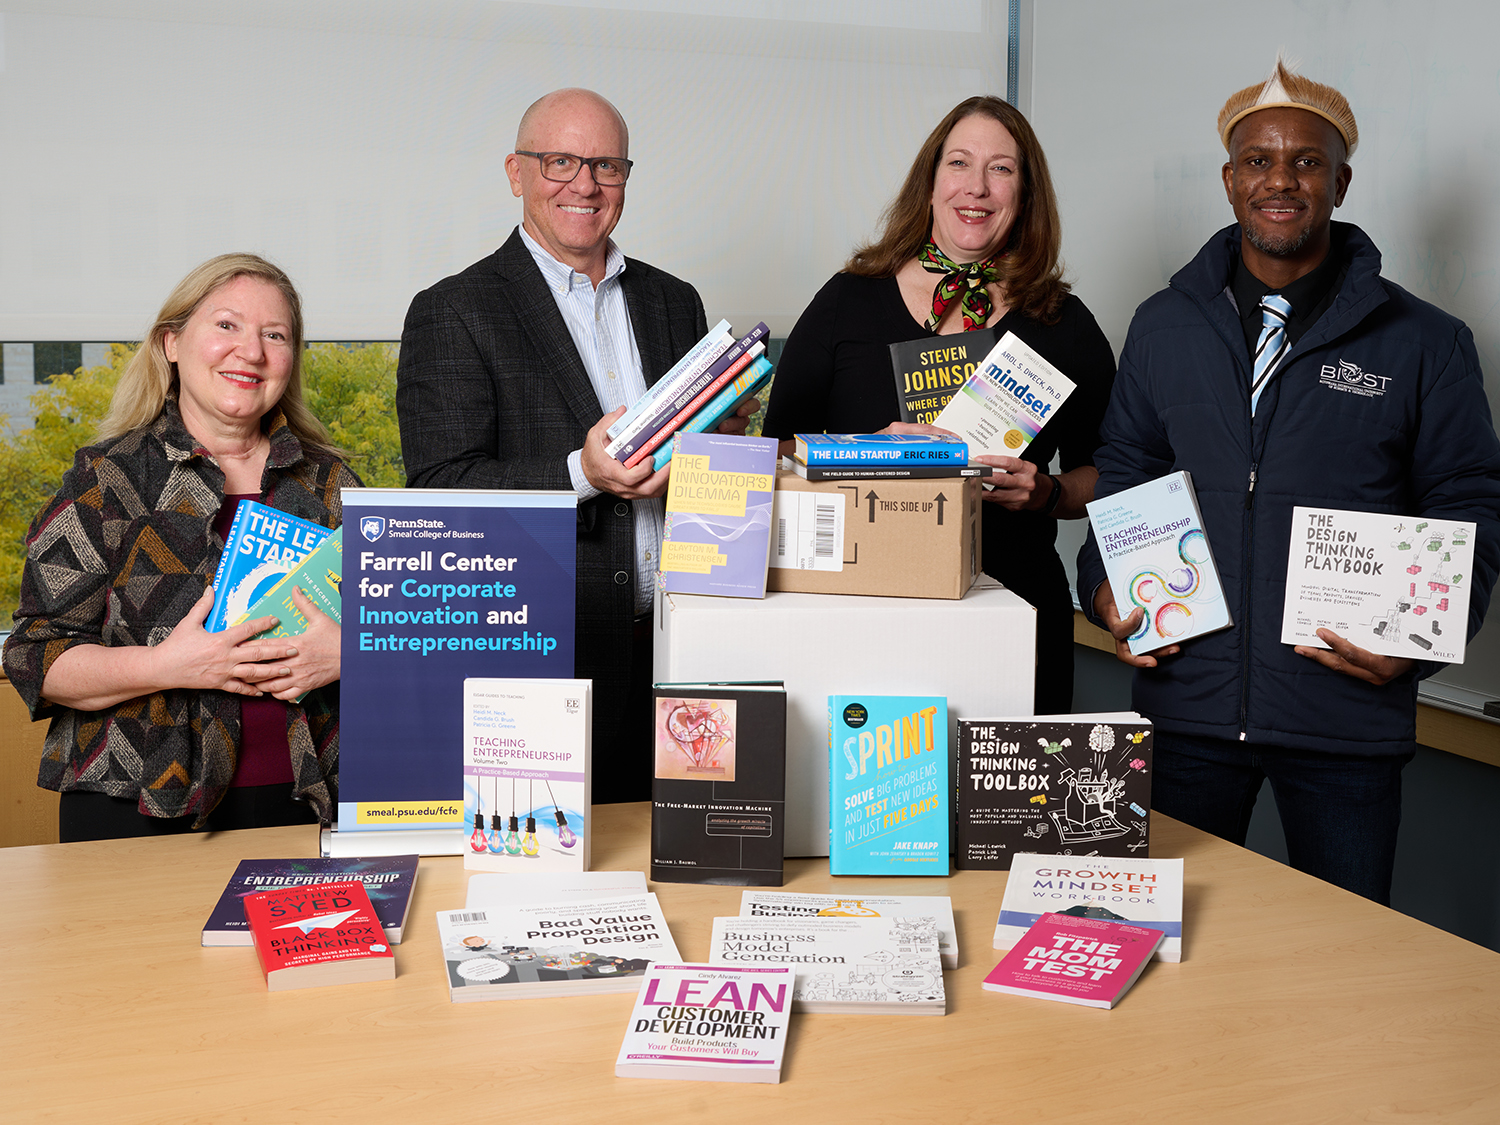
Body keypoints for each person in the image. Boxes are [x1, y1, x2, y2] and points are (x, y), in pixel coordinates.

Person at [1076, 60, 1500, 904]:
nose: (1282, 179)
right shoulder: (1164, 324)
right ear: (1230, 180)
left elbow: (1470, 502)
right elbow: (1127, 472)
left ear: (1340, 182)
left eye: (1306, 161)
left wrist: (1417, 641)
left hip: (1343, 719)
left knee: (1341, 970)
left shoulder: (1425, 341)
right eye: (1260, 160)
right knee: (1156, 955)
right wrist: (1103, 590)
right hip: (1185, 706)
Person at [395, 89, 756, 803]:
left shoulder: (673, 300)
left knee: (685, 869)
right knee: (546, 884)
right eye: (560, 161)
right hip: (546, 661)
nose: (584, 184)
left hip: (682, 651)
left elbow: (693, 472)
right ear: (516, 171)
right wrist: (580, 474)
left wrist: (721, 445)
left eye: (607, 165)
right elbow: (441, 487)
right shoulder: (454, 309)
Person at [761, 96, 1115, 714]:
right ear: (930, 183)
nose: (976, 187)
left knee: (1006, 809)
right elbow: (774, 451)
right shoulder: (850, 300)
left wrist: (1048, 494)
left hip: (1016, 606)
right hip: (863, 604)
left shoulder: (1063, 323)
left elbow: (1110, 475)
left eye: (1001, 169)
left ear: (1025, 194)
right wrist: (865, 455)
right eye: (959, 163)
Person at [3, 253, 361, 841]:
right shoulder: (104, 481)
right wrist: (168, 665)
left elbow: (412, 635)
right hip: (135, 806)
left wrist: (353, 652)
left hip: (320, 798)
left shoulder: (335, 485)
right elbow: (34, 658)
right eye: (227, 325)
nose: (251, 351)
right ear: (170, 343)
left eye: (275, 335)